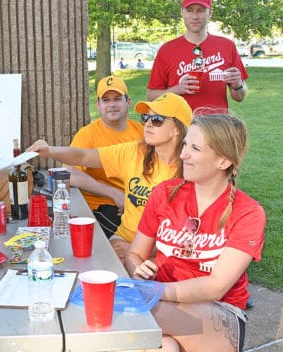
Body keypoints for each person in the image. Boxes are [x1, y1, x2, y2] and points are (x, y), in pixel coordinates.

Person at [124, 112, 265, 352]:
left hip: (217, 312)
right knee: (164, 346)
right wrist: (138, 270)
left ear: (223, 161)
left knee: (129, 309)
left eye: (195, 149)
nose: (183, 155)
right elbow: (134, 254)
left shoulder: (248, 212)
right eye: (185, 144)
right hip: (162, 301)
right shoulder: (165, 193)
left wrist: (154, 291)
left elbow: (216, 286)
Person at [28, 92, 192, 261]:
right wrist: (49, 151)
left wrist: (138, 250)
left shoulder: (191, 170)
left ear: (177, 129)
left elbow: (193, 235)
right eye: (146, 118)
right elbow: (84, 156)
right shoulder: (136, 151)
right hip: (123, 239)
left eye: (157, 119)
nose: (148, 124)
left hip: (162, 251)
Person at [64, 75, 143, 238]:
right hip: (103, 207)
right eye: (106, 100)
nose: (111, 105)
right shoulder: (88, 134)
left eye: (117, 99)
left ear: (128, 102)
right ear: (98, 105)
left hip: (137, 203)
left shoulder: (141, 132)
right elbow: (69, 173)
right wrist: (113, 193)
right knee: (134, 240)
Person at [147, 0, 248, 111]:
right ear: (182, 12)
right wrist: (177, 89)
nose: (194, 16)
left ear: (210, 13)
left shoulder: (227, 46)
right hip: (180, 122)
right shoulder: (167, 50)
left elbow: (240, 97)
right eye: (189, 10)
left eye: (200, 10)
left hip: (217, 122)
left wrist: (238, 85)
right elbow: (151, 96)